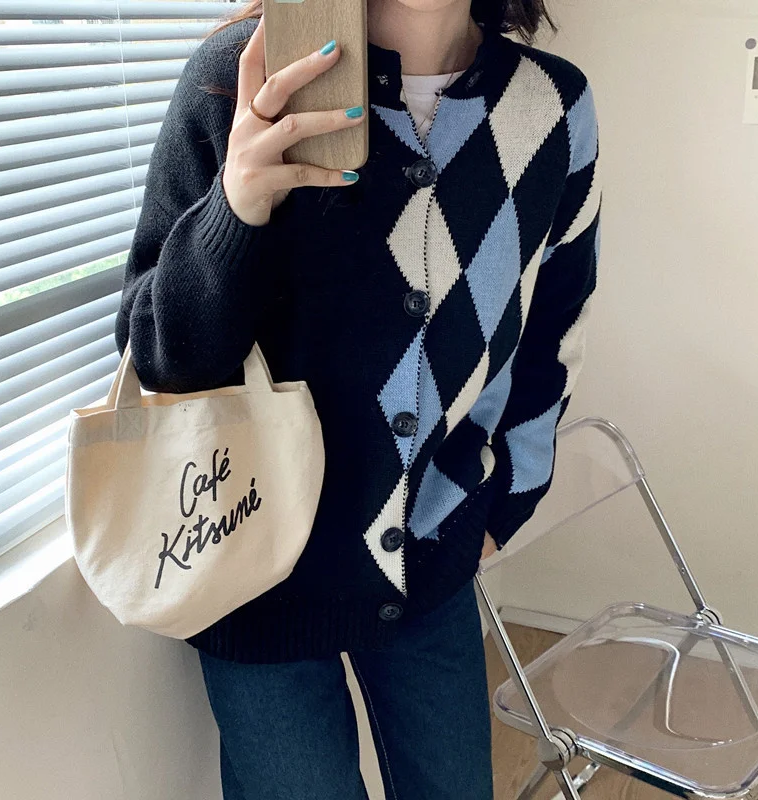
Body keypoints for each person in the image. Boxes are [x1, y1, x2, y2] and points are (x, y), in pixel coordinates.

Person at [114, 0, 601, 797]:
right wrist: (237, 207)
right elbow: (160, 361)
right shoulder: (241, 76)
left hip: (434, 559)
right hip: (253, 575)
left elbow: (555, 325)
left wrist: (507, 503)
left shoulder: (553, 106)